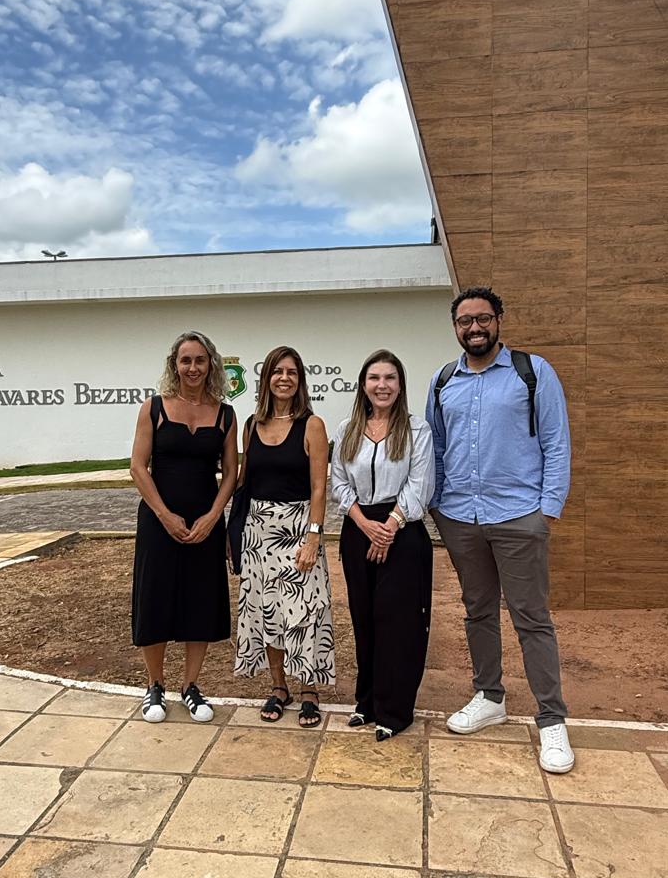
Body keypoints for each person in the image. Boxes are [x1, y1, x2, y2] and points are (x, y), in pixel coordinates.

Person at [426, 286, 575, 774]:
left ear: (499, 320)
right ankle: (490, 696)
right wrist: (437, 506)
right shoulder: (443, 381)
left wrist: (546, 510)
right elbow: (435, 449)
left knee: (532, 617)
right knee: (478, 611)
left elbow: (556, 441)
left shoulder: (533, 372)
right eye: (465, 320)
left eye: (483, 319)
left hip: (518, 516)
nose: (474, 328)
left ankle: (551, 719)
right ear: (455, 327)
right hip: (460, 518)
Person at [130, 330, 237, 723]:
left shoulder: (225, 414)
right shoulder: (154, 408)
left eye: (200, 360)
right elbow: (137, 467)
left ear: (211, 364)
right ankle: (154, 685)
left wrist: (213, 516)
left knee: (200, 601)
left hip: (205, 524)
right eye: (186, 360)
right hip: (159, 521)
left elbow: (231, 473)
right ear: (174, 365)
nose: (193, 368)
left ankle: (191, 686)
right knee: (155, 598)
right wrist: (164, 514)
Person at [331, 350, 435, 741]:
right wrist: (364, 524)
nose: (382, 385)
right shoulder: (348, 430)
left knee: (399, 624)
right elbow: (339, 481)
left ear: (400, 385)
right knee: (365, 619)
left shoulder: (417, 430)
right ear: (363, 385)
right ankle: (368, 703)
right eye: (374, 378)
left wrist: (389, 527)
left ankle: (395, 710)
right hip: (358, 529)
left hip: (402, 532)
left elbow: (420, 484)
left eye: (390, 378)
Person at [234, 345, 334, 726]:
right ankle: (279, 687)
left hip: (298, 530)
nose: (284, 378)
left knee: (305, 611)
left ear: (300, 380)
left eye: (292, 372)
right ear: (266, 379)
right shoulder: (251, 426)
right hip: (258, 533)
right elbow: (243, 481)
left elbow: (319, 488)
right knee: (267, 611)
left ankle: (309, 689)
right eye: (277, 371)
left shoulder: (312, 425)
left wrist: (314, 537)